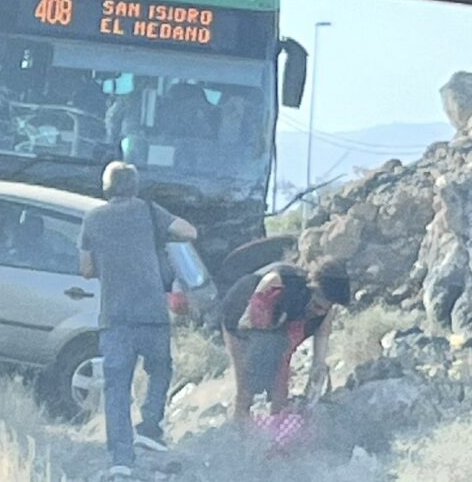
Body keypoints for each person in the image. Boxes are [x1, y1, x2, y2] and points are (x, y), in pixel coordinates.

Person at [78, 161, 197, 479]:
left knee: (116, 387)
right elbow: (188, 231)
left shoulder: (92, 218)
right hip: (151, 315)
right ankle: (148, 426)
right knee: (160, 369)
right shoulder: (148, 211)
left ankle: (121, 460)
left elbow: (87, 269)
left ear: (105, 187)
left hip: (114, 318)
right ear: (134, 185)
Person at [221, 258, 351, 420]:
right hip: (240, 316)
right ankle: (239, 425)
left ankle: (277, 430)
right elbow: (248, 325)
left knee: (280, 393)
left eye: (325, 309)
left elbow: (318, 361)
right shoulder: (278, 283)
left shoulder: (324, 313)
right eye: (317, 305)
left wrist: (313, 387)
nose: (319, 312)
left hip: (279, 327)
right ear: (311, 291)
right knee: (246, 387)